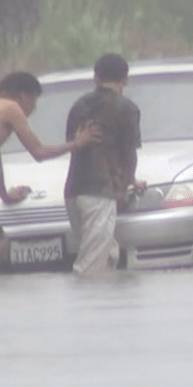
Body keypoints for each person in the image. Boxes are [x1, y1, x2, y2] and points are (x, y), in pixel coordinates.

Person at [0, 71, 100, 279]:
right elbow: (38, 152)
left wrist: (4, 194)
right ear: (24, 97)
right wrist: (75, 144)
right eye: (34, 100)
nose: (34, 107)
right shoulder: (11, 108)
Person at [64, 53, 145, 275]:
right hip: (100, 194)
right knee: (90, 266)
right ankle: (84, 307)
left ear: (95, 77)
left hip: (73, 192)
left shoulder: (78, 105)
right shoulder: (126, 108)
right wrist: (128, 182)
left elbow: (73, 144)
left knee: (107, 254)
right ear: (125, 80)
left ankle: (106, 307)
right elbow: (129, 152)